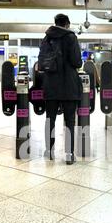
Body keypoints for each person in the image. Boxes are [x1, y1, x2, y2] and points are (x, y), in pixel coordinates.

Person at [40, 13, 82, 165]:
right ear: (67, 24)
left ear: (55, 23)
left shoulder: (47, 38)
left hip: (51, 84)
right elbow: (77, 62)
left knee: (50, 119)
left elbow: (42, 62)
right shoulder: (71, 37)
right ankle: (69, 155)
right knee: (69, 121)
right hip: (69, 85)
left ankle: (49, 151)